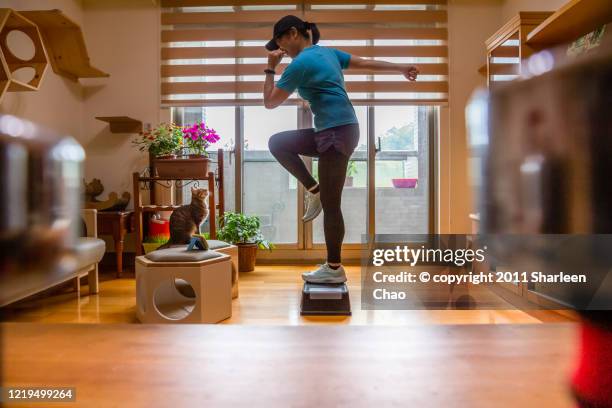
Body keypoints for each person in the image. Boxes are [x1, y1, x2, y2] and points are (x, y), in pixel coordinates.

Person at [263, 15, 419, 283]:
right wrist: (401, 67)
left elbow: (269, 102)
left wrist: (269, 69)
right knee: (278, 142)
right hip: (337, 130)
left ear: (292, 34)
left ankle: (334, 267)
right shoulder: (328, 54)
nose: (280, 50)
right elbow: (366, 63)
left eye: (279, 42)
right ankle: (315, 190)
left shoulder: (299, 64)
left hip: (335, 132)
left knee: (331, 205)